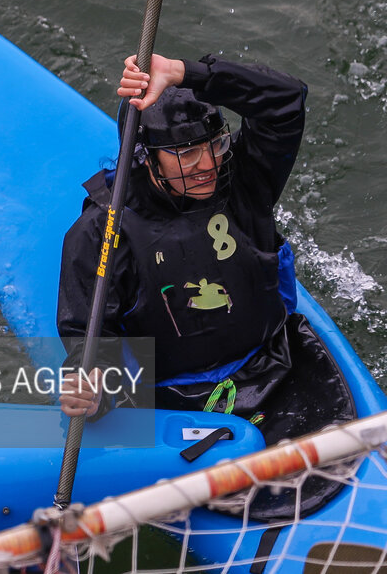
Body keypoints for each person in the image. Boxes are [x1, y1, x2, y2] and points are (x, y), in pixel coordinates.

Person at [57, 52, 308, 421]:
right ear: (145, 156)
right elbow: (91, 340)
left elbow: (286, 100)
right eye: (187, 153)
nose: (208, 165)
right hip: (169, 400)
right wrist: (94, 393)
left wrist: (185, 73)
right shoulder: (101, 233)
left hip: (277, 364)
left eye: (215, 144)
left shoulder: (245, 176)